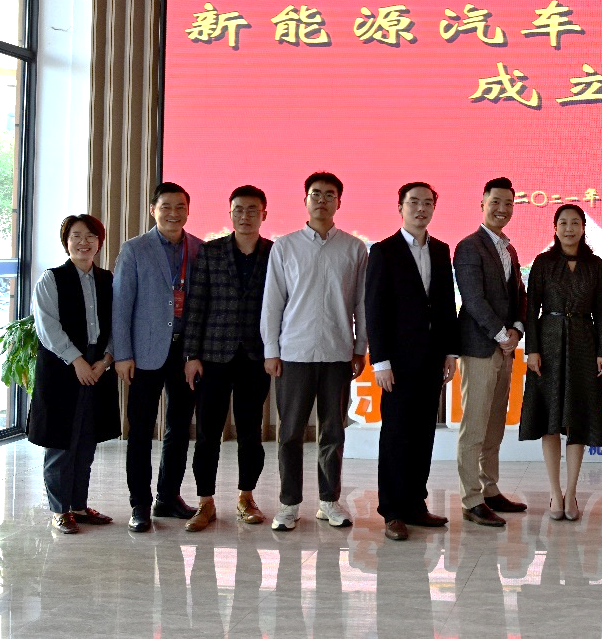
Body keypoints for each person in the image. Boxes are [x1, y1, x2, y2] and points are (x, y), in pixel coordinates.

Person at [261, 171, 367, 531]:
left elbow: (361, 303)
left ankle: (329, 502)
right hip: (294, 353)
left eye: (329, 195)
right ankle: (289, 504)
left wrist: (360, 347)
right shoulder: (285, 247)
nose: (322, 200)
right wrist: (271, 349)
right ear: (305, 200)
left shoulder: (354, 248)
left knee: (333, 432)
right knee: (290, 432)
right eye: (316, 194)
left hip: (338, 353)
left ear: (339, 201)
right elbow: (273, 303)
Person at [365, 182, 460, 542]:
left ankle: (415, 504)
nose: (421, 208)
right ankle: (392, 511)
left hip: (432, 358)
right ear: (400, 207)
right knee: (396, 435)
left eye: (427, 203)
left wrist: (450, 352)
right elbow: (374, 308)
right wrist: (380, 361)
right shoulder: (383, 251)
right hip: (397, 362)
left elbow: (446, 304)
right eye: (414, 202)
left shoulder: (440, 250)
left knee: (423, 434)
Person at [181, 185, 274, 531]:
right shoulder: (211, 251)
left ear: (264, 214)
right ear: (230, 213)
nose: (245, 216)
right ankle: (204, 502)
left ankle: (246, 497)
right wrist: (191, 354)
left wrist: (275, 351)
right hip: (213, 356)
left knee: (250, 432)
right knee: (207, 433)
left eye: (252, 210)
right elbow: (196, 305)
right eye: (238, 210)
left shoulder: (274, 253)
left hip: (255, 356)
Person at [113, 181, 204, 532]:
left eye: (180, 206)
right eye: (166, 206)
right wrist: (123, 354)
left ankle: (168, 497)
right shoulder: (134, 249)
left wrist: (195, 352)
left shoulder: (199, 249)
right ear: (153, 210)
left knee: (179, 428)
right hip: (144, 352)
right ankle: (139, 504)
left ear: (188, 210)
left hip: (185, 352)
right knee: (140, 430)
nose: (173, 213)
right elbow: (121, 306)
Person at [29, 214, 120, 534]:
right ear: (66, 242)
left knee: (86, 441)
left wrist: (106, 360)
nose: (84, 242)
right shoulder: (51, 279)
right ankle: (59, 510)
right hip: (62, 367)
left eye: (91, 236)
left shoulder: (108, 279)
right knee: (61, 442)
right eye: (76, 236)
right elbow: (47, 327)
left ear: (99, 242)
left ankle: (79, 506)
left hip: (98, 366)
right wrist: (77, 361)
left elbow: (117, 323)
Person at [520, 204, 602, 521]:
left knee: (577, 418)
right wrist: (532, 349)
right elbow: (531, 309)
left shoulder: (595, 265)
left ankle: (571, 493)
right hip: (548, 343)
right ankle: (554, 493)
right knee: (550, 418)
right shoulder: (543, 263)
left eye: (575, 223)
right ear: (555, 228)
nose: (569, 228)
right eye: (563, 223)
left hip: (584, 342)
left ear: (583, 228)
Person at [454, 177, 529, 526]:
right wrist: (501, 334)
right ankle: (471, 499)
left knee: (495, 423)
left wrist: (517, 329)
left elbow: (519, 295)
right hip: (480, 347)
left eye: (508, 203)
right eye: (495, 202)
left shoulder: (509, 249)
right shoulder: (469, 246)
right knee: (475, 425)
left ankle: (490, 488)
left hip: (505, 347)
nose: (502, 209)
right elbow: (473, 299)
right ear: (482, 204)